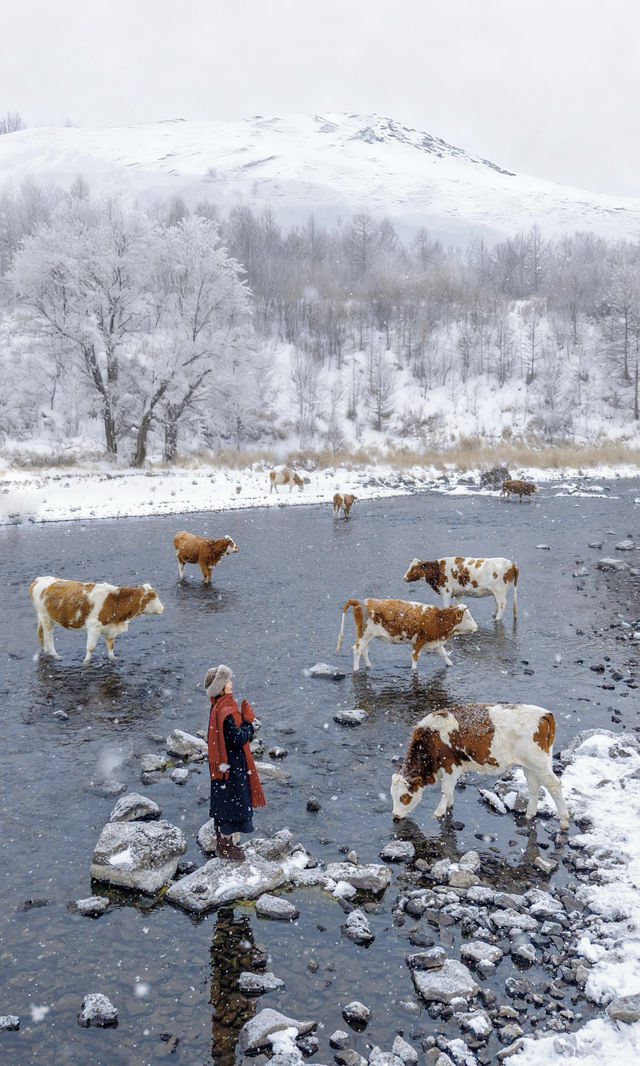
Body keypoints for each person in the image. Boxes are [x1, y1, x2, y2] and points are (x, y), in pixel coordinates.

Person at [205, 664, 266, 861]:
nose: (231, 683)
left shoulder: (218, 708)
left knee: (224, 807)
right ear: (220, 688)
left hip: (223, 769)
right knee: (232, 807)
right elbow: (238, 739)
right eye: (227, 681)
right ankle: (226, 848)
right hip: (232, 768)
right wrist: (248, 724)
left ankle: (222, 844)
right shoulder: (226, 711)